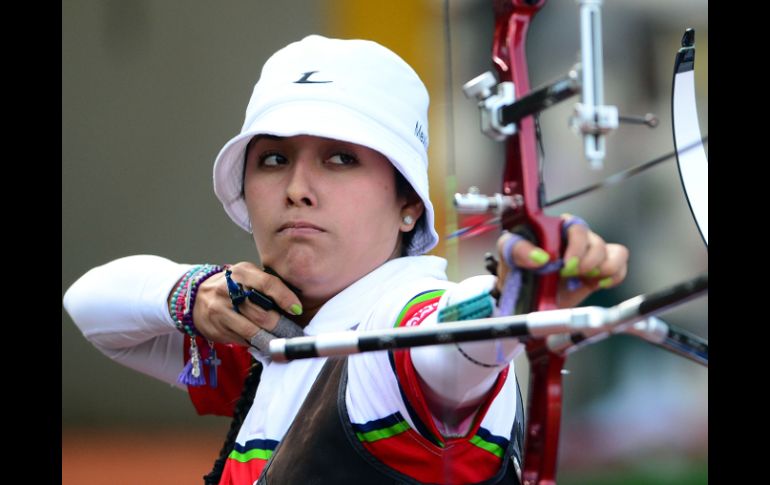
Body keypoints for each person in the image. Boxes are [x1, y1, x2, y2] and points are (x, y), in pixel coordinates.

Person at [63, 35, 628, 485]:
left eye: (340, 158)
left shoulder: (396, 328)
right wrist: (195, 294)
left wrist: (513, 296)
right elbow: (89, 306)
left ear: (408, 204)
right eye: (274, 158)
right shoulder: (274, 331)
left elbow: (448, 340)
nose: (298, 188)